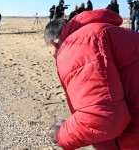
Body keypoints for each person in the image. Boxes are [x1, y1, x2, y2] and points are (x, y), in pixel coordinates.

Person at [44, 9, 139, 149]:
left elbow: (104, 119)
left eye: (52, 54)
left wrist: (61, 134)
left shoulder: (77, 44)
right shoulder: (106, 31)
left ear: (53, 43)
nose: (55, 58)